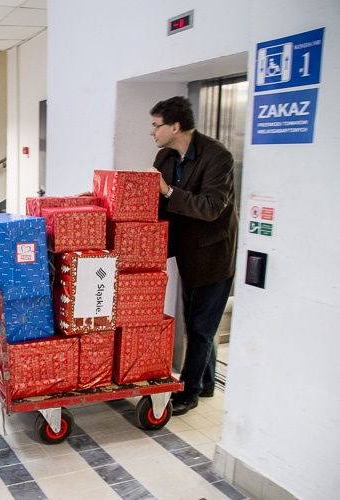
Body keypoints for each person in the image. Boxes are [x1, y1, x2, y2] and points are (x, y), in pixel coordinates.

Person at [147, 96, 238, 416]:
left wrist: (168, 190)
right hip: (187, 252)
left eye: (156, 125)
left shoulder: (218, 157)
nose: (152, 132)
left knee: (200, 328)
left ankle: (189, 393)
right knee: (198, 324)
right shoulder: (166, 156)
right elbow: (151, 197)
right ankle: (207, 383)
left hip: (214, 257)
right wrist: (101, 196)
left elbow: (211, 208)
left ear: (175, 126)